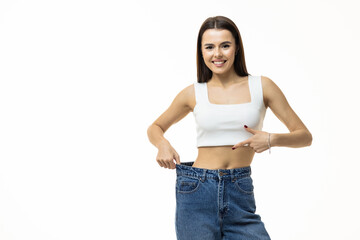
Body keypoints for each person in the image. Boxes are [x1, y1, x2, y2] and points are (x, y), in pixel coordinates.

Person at [147, 15, 312, 240]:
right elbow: (155, 127)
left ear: (236, 48)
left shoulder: (262, 86)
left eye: (225, 45)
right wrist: (162, 144)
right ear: (201, 52)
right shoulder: (193, 93)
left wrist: (271, 139)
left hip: (239, 188)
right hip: (197, 189)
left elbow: (304, 136)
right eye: (209, 47)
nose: (217, 54)